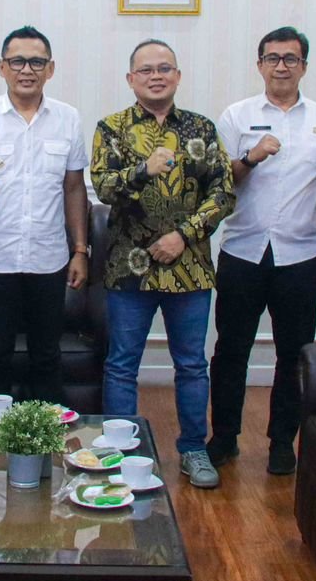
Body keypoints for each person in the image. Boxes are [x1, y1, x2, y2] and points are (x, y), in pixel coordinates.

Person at [91, 39, 234, 489]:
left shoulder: (201, 128)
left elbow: (224, 193)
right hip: (128, 268)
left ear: (177, 76)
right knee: (121, 364)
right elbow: (103, 187)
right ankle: (120, 450)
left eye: (165, 68)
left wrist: (183, 235)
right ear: (131, 79)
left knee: (191, 364)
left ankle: (193, 449)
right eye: (147, 70)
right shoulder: (111, 128)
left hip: (189, 267)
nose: (156, 76)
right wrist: (143, 170)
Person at [207, 26, 316, 477]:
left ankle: (282, 442)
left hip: (300, 256)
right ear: (259, 64)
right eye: (273, 58)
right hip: (243, 251)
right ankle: (224, 437)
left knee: (293, 355)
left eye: (291, 58)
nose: (281, 66)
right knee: (230, 351)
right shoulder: (236, 116)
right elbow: (218, 181)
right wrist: (251, 157)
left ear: (304, 66)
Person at [0, 25, 90, 406]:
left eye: (37, 62)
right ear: (2, 67)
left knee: (47, 357)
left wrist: (80, 250)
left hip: (49, 259)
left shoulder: (68, 119)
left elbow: (74, 188)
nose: (27, 70)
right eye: (18, 61)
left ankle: (49, 439)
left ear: (50, 69)